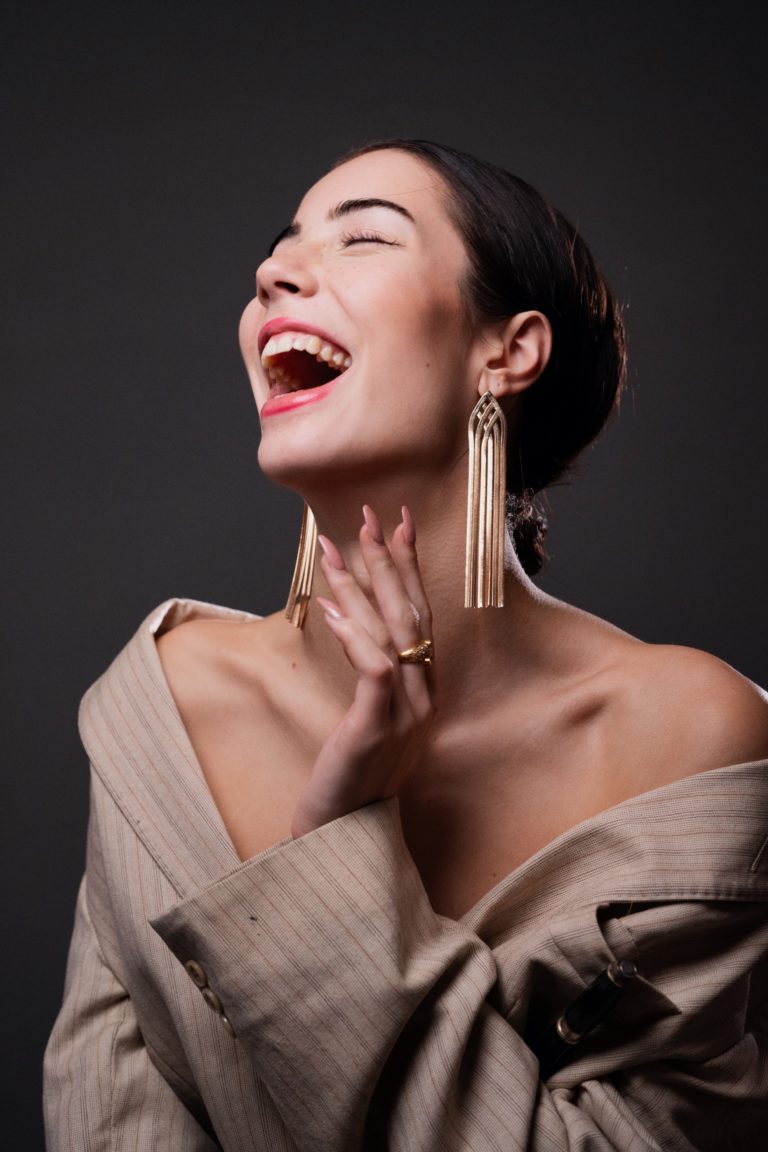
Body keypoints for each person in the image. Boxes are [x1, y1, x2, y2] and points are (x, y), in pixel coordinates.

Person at [44, 139, 768, 1151]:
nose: (275, 274)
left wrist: (339, 838)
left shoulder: (683, 737)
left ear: (506, 352)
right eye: (281, 247)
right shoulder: (165, 709)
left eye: (366, 236)